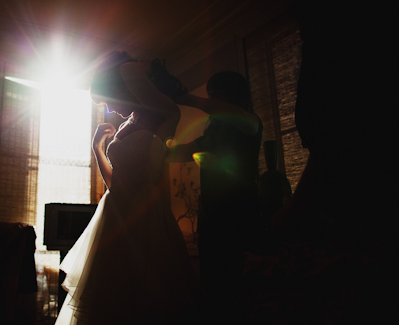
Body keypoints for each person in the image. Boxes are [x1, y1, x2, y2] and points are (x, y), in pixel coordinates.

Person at [56, 51, 199, 325]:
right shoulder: (125, 125)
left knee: (144, 301)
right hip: (113, 217)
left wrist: (120, 64)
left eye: (108, 98)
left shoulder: (165, 115)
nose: (108, 108)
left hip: (145, 222)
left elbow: (132, 70)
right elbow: (115, 183)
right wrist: (97, 149)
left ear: (121, 86)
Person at [169, 71, 262, 324]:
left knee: (239, 293)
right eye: (211, 96)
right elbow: (178, 152)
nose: (213, 102)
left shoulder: (251, 123)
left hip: (241, 219)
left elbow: (223, 111)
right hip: (211, 220)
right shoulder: (211, 137)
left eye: (218, 96)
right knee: (214, 293)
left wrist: (185, 97)